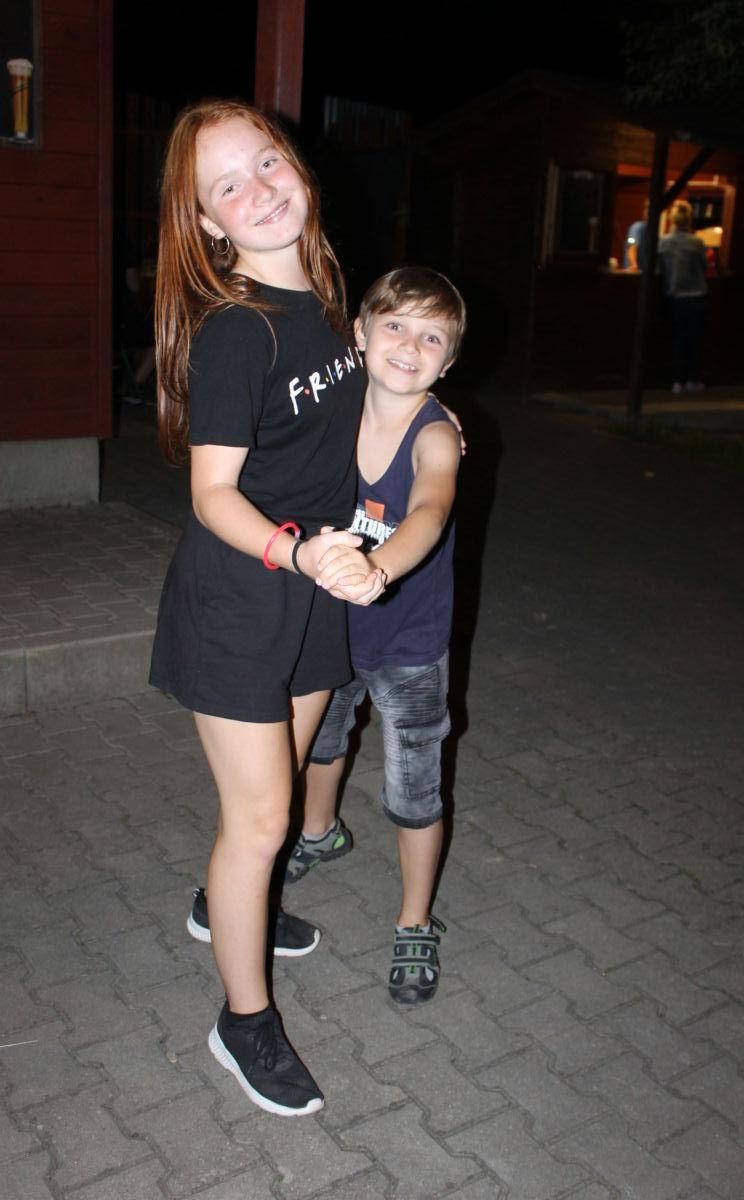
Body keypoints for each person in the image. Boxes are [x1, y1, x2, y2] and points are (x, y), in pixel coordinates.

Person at [149, 98, 386, 1117]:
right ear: (206, 222)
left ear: (297, 166)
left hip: (311, 582)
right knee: (262, 821)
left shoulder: (328, 298)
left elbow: (352, 413)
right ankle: (242, 1022)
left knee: (274, 791)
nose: (258, 190)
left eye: (267, 162)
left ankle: (223, 906)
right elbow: (211, 495)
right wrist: (298, 551)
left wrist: (426, 421)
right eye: (227, 186)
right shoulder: (239, 331)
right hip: (245, 593)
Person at [284, 265, 465, 1006]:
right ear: (358, 334)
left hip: (409, 644)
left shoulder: (437, 435)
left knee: (414, 784)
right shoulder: (333, 407)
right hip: (330, 628)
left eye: (432, 338)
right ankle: (319, 832)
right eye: (394, 326)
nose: (410, 346)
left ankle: (415, 918)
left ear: (448, 361)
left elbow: (430, 508)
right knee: (322, 743)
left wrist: (378, 568)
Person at [659, 199, 708, 394]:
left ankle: (678, 381)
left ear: (672, 219)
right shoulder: (697, 242)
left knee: (678, 339)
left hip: (675, 295)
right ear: (689, 219)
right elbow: (704, 267)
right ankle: (693, 379)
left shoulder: (664, 242)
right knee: (695, 339)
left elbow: (660, 268)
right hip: (696, 295)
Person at [623, 200, 649, 272]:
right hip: (633, 273)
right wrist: (634, 265)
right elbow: (632, 246)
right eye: (647, 208)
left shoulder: (651, 230)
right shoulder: (636, 228)